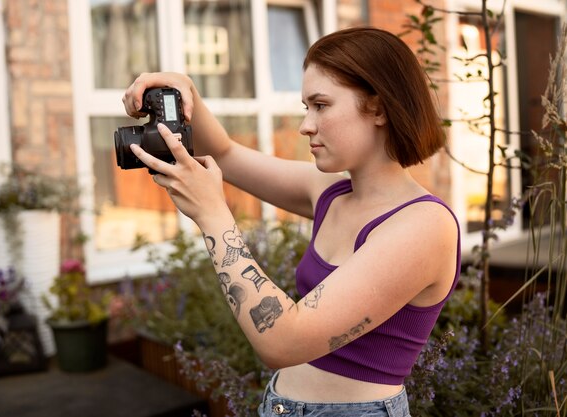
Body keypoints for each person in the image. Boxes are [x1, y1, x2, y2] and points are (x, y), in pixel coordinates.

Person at [122, 26, 460, 417]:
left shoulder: (424, 226)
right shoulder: (331, 192)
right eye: (306, 107)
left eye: (321, 105)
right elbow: (227, 155)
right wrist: (187, 93)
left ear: (379, 108)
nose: (305, 125)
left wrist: (213, 215)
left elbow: (283, 342)